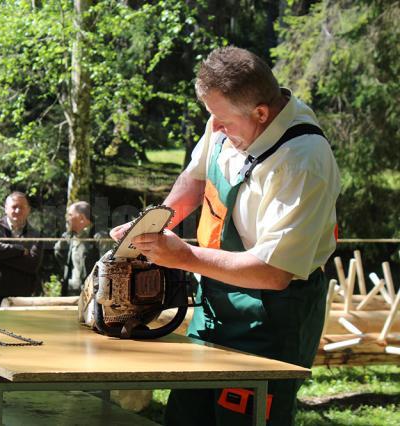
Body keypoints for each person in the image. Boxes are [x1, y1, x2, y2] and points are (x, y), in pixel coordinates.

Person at [111, 46, 340, 426]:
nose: (214, 128)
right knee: (186, 416)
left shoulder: (303, 161)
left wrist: (183, 257)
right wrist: (156, 223)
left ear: (261, 113)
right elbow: (197, 175)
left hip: (272, 317)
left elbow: (273, 272)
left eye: (221, 120)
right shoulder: (229, 121)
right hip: (215, 303)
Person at [0, 191, 43, 310]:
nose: (18, 210)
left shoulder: (35, 235)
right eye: (14, 207)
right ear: (6, 209)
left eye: (22, 207)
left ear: (28, 210)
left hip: (20, 302)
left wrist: (0, 255)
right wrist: (20, 250)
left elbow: (32, 264)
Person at [54, 201, 110, 296]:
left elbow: (107, 267)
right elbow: (58, 254)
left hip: (91, 295)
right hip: (71, 292)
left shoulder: (99, 237)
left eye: (70, 215)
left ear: (81, 218)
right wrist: (65, 237)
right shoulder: (70, 237)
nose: (67, 218)